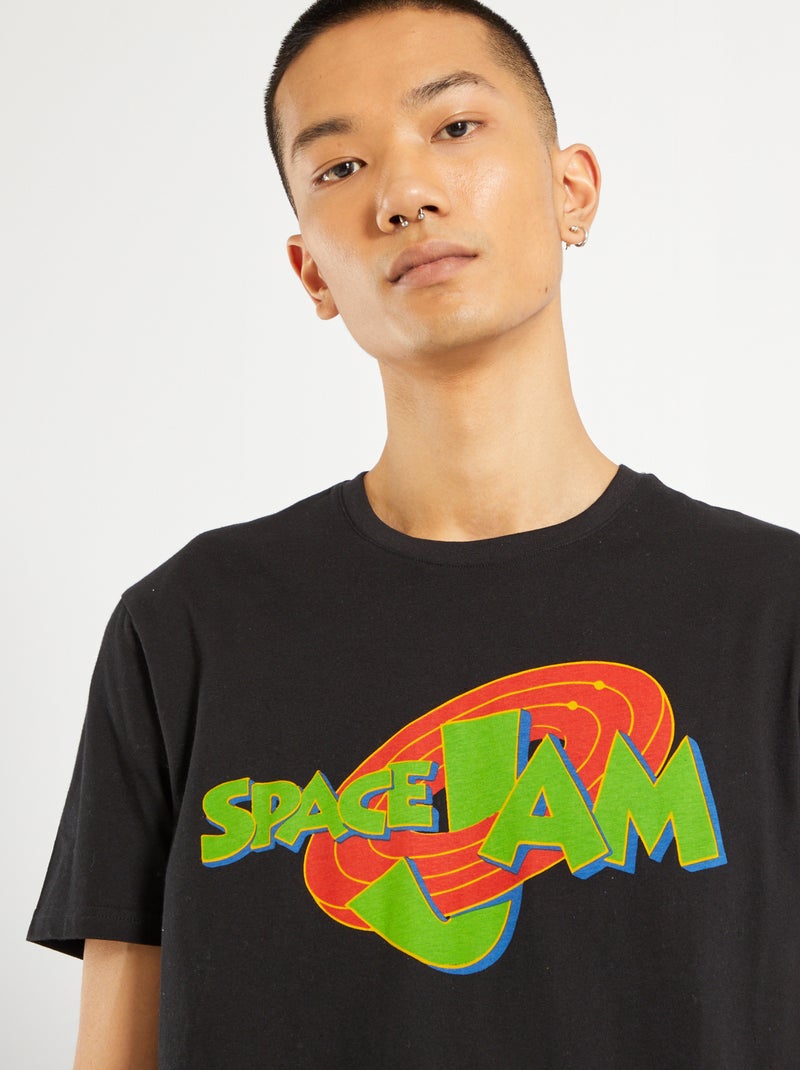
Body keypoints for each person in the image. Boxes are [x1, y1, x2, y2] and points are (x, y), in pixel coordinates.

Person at [28, 0, 800, 1066]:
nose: (403, 194)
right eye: (341, 167)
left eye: (455, 127)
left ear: (571, 190)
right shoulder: (187, 627)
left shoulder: (773, 612)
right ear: (311, 271)